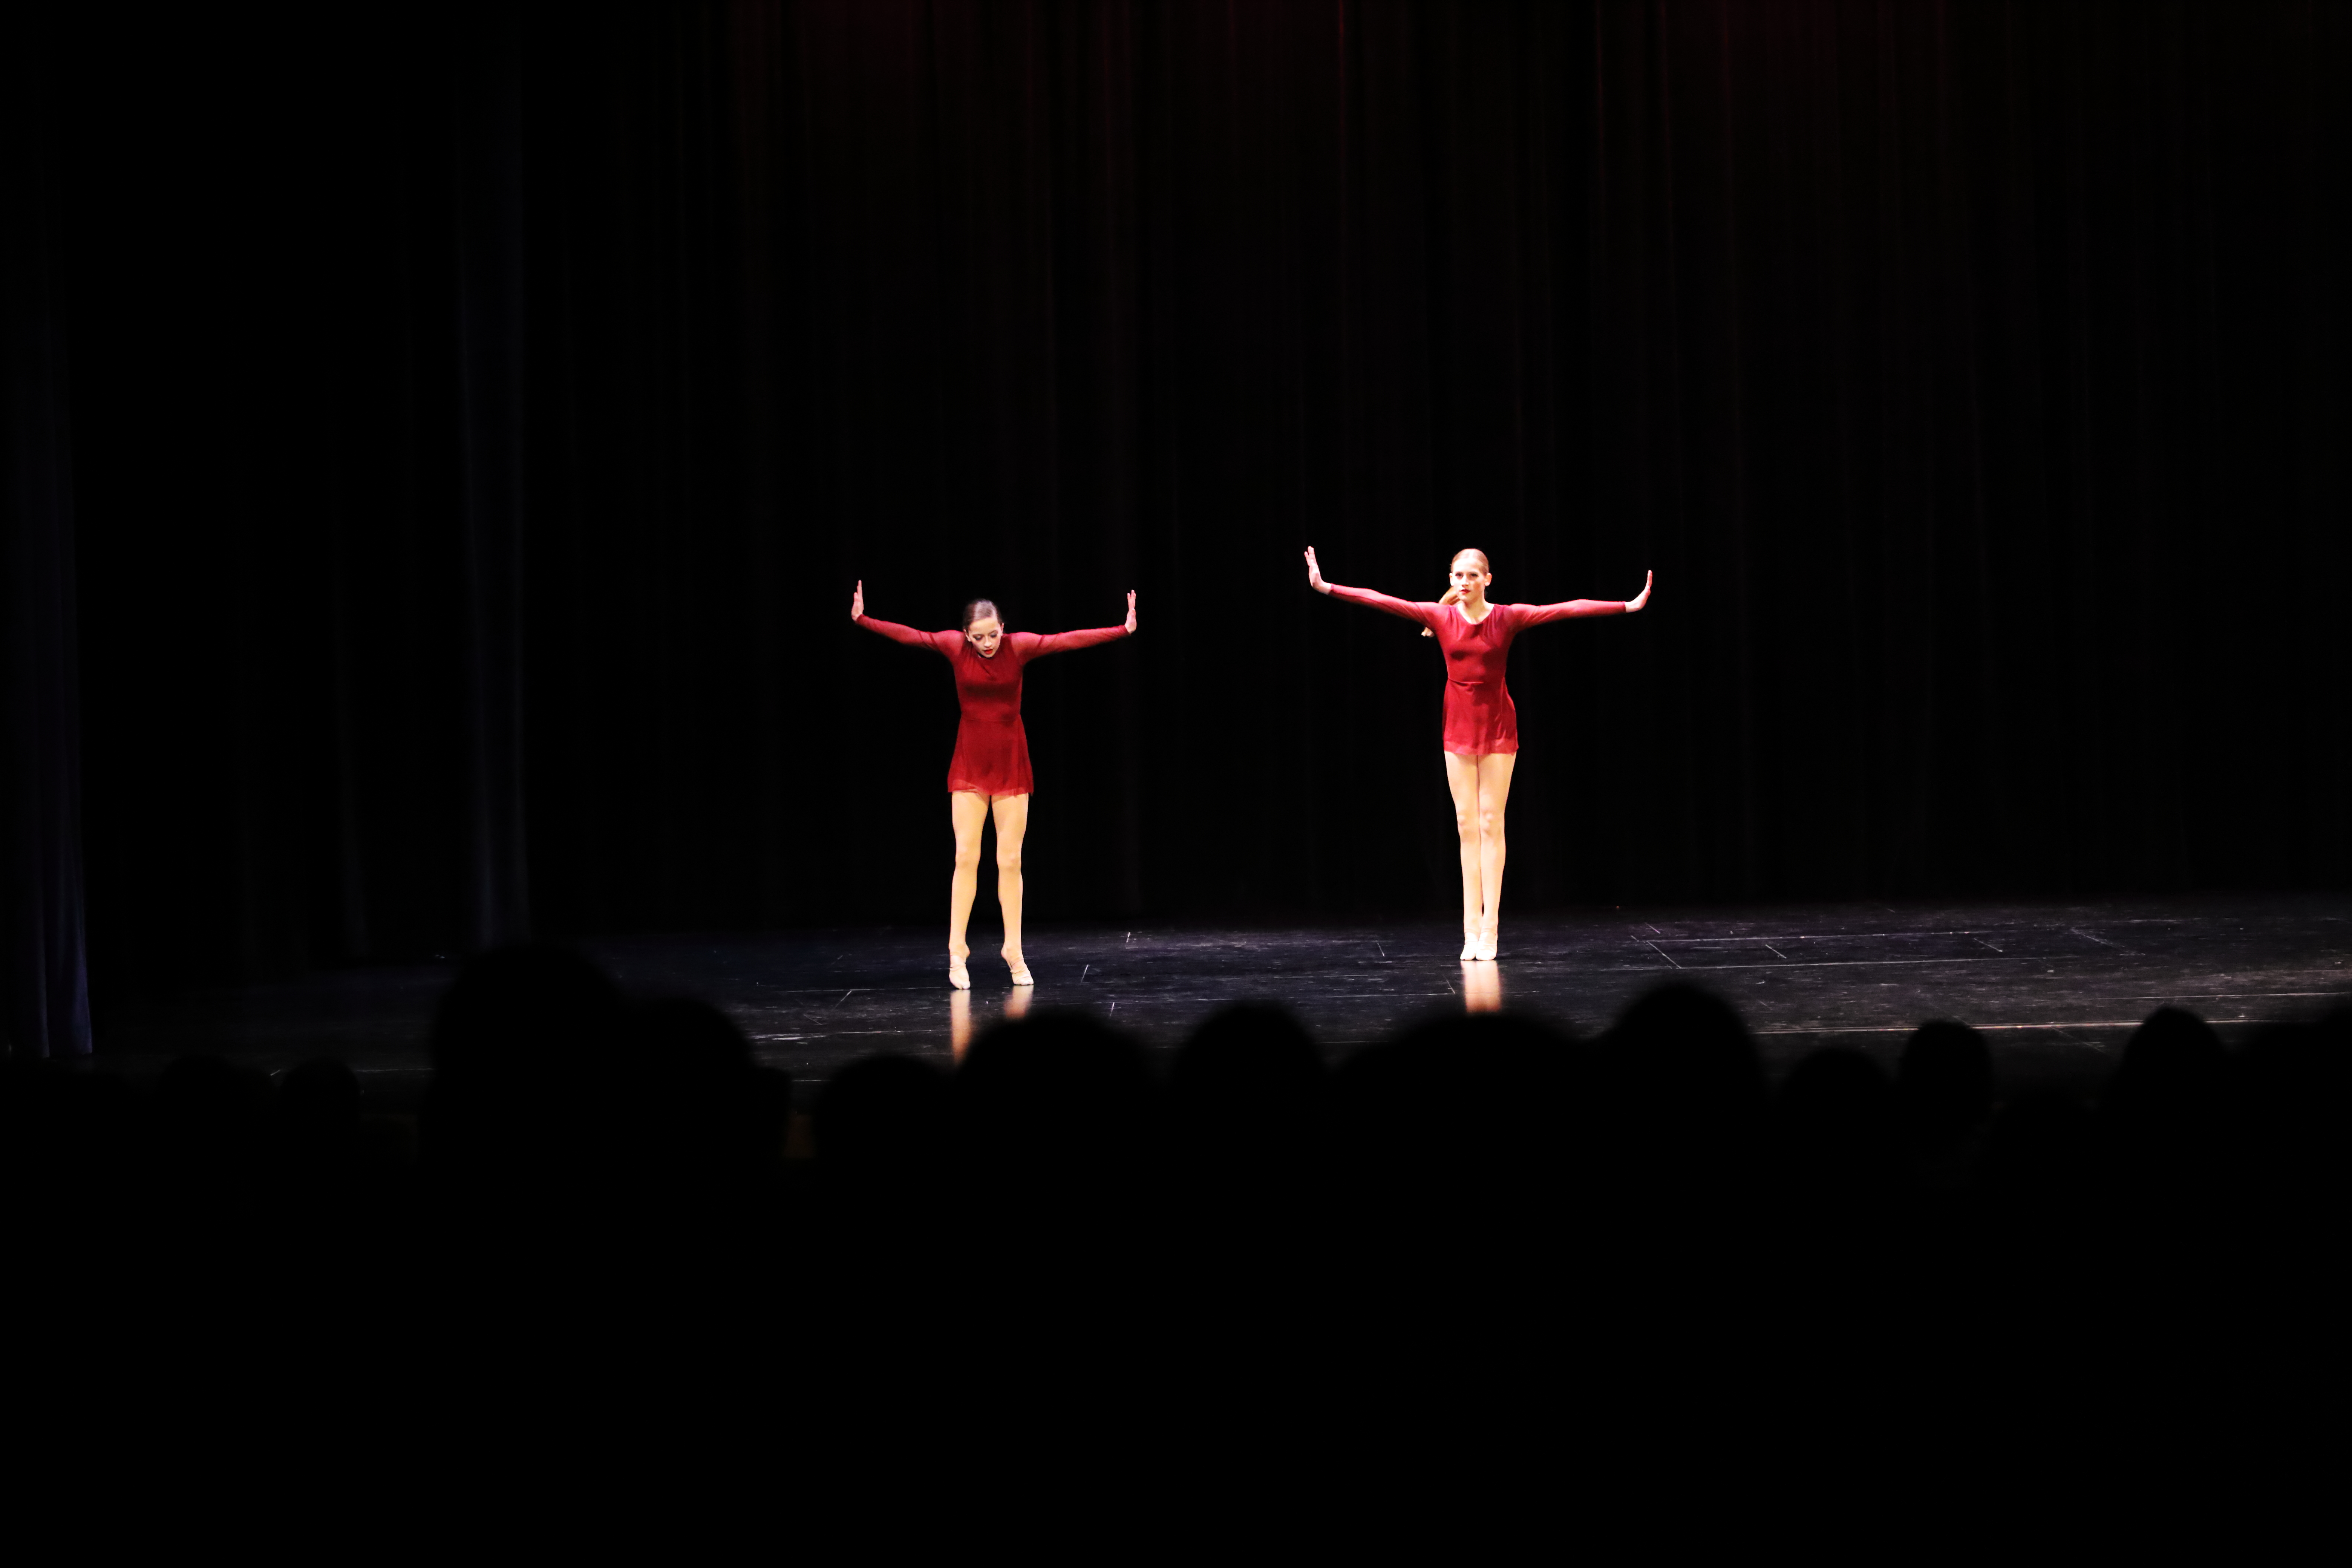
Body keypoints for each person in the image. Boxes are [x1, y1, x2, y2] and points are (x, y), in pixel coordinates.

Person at [1305, 546, 1649, 961]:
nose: (1464, 582)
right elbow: (1381, 600)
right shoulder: (1440, 616)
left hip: (1498, 724)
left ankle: (1491, 929)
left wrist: (1627, 605)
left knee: (1491, 822)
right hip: (1458, 725)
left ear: (1488, 579)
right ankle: (1470, 929)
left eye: (1472, 575)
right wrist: (1326, 587)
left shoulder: (1507, 617)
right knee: (1467, 824)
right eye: (1458, 575)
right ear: (1451, 580)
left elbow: (1564, 609)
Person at [852, 582, 1137, 988]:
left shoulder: (1018, 647)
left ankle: (1014, 950)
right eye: (979, 637)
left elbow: (1065, 640)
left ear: (1003, 627)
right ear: (966, 635)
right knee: (966, 857)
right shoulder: (955, 647)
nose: (987, 643)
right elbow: (913, 636)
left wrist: (1122, 629)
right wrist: (863, 619)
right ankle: (957, 951)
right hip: (970, 763)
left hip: (1011, 763)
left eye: (993, 634)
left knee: (1010, 861)